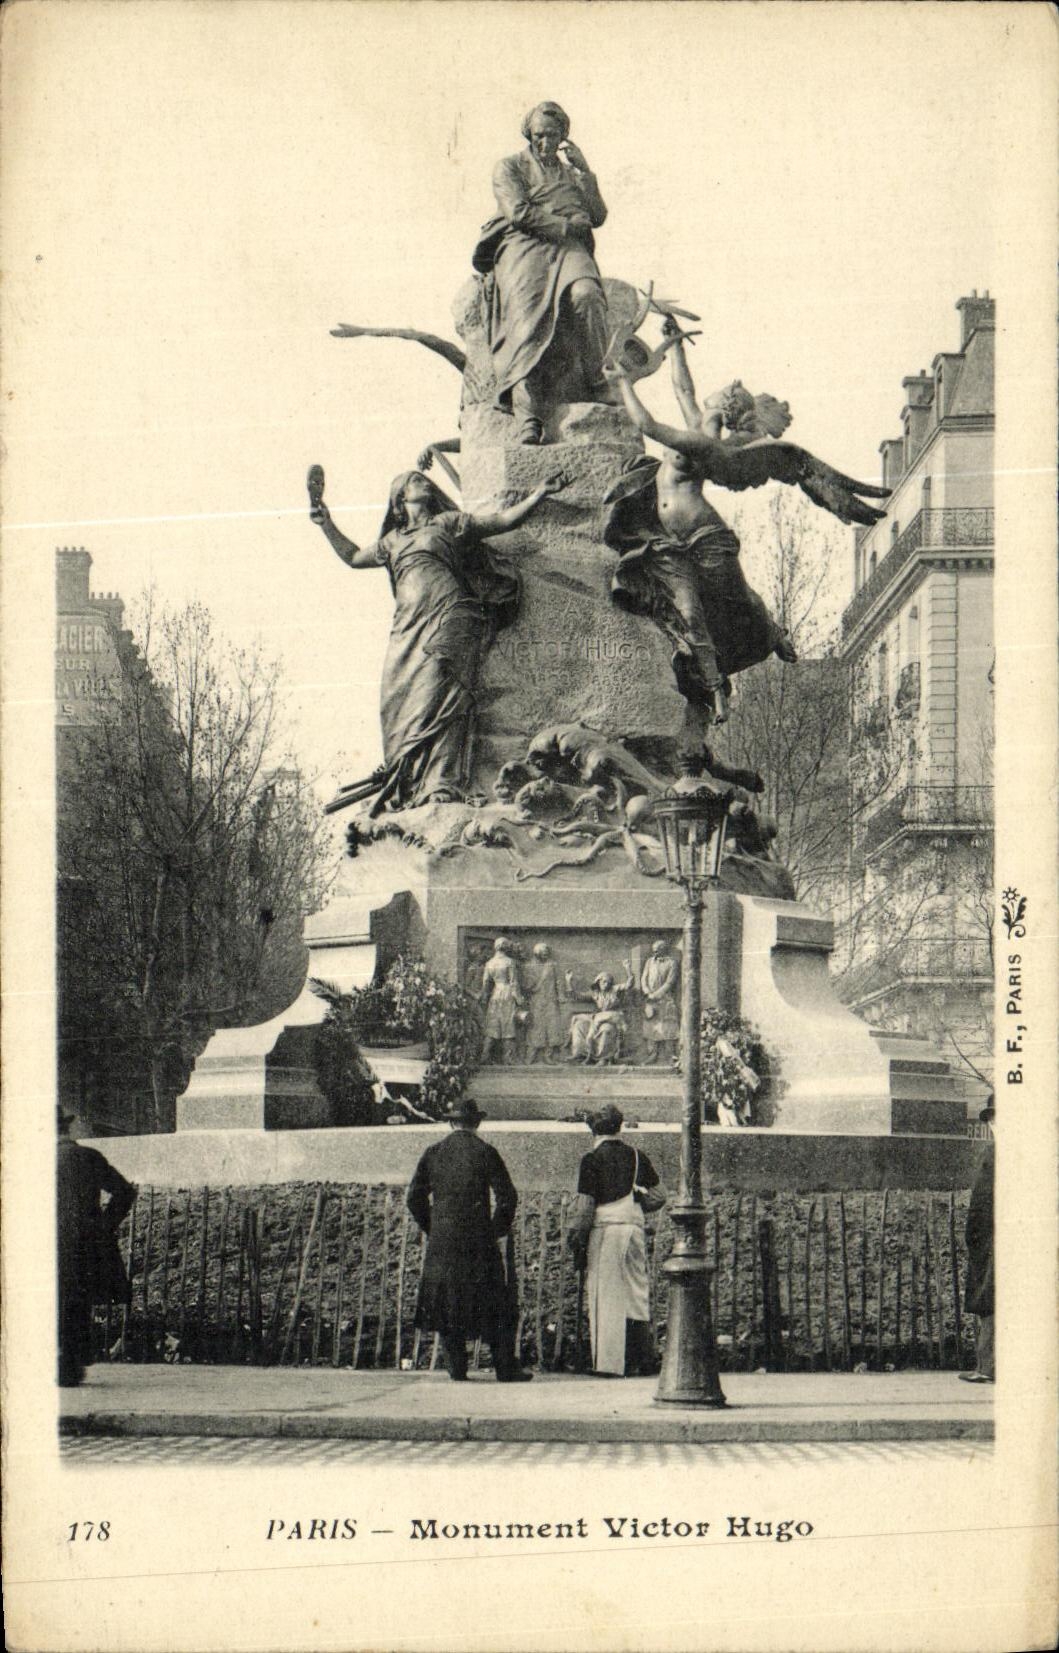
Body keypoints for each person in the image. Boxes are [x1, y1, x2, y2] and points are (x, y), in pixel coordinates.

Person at [310, 465, 566, 813]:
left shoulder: (447, 523)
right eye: (415, 481)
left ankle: (441, 783)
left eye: (425, 479)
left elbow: (502, 521)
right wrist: (326, 523)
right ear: (400, 499)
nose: (425, 483)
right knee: (397, 702)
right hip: (407, 628)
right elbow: (354, 557)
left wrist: (539, 493)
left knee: (442, 691)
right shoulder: (392, 541)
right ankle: (409, 784)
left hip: (450, 615)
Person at [472, 101, 611, 444]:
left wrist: (586, 172)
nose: (545, 143)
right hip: (524, 244)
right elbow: (518, 212)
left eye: (552, 135)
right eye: (538, 136)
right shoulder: (509, 167)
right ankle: (528, 417)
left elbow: (597, 216)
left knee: (587, 295)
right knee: (525, 321)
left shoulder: (572, 173)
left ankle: (598, 381)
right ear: (529, 135)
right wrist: (566, 224)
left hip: (569, 248)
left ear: (564, 136)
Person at [406, 1097, 531, 1382]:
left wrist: (434, 1228)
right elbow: (507, 1197)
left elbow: (414, 1198)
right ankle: (504, 1368)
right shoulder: (485, 1152)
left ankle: (457, 1367)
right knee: (492, 1300)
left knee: (448, 1301)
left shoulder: (434, 1152)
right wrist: (495, 1230)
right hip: (478, 1240)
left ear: (451, 1123)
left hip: (443, 1242)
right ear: (477, 1123)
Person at [567, 1106, 662, 1376]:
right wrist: (636, 1201)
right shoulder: (637, 1156)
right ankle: (641, 1359)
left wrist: (577, 1237)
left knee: (607, 1295)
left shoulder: (591, 1159)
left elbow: (586, 1207)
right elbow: (660, 1195)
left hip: (606, 1230)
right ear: (619, 1128)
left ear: (594, 1132)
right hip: (632, 1227)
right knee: (635, 1292)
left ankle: (609, 1364)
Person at [56, 1106, 136, 1387]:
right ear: (66, 1129)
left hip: (46, 1243)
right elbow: (125, 1191)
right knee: (76, 1302)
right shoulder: (89, 1157)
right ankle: (71, 1364)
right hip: (85, 1244)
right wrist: (103, 1225)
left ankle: (61, 1363)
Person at [960, 1097, 995, 1383]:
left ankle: (987, 1367)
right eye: (991, 1119)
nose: (994, 1124)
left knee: (991, 1300)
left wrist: (975, 1237)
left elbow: (982, 1203)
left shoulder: (995, 1153)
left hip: (996, 1241)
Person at [566, 964, 634, 1065]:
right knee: (579, 1025)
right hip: (598, 1017)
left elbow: (629, 985)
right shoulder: (595, 993)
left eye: (608, 982)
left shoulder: (615, 990)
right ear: (598, 982)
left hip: (612, 1019)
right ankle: (579, 1053)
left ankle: (603, 1058)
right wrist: (568, 981)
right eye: (604, 982)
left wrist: (628, 968)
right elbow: (577, 996)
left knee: (606, 1029)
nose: (606, 984)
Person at [481, 936, 524, 1065]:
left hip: (495, 994)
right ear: (506, 947)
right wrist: (519, 999)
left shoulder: (489, 963)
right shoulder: (509, 962)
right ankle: (508, 1058)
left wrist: (485, 998)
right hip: (507, 994)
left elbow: (485, 983)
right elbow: (513, 982)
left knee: (493, 1025)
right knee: (508, 1025)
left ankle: (485, 1055)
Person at [639, 940, 680, 1065]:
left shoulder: (671, 963)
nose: (655, 952)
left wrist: (656, 994)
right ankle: (652, 1054)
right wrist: (647, 992)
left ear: (664, 949)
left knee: (668, 1027)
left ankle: (670, 1055)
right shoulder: (649, 961)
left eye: (657, 949)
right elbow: (644, 978)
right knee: (651, 1027)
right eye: (654, 949)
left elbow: (670, 982)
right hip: (650, 1000)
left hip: (665, 1000)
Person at [526, 942, 565, 1063]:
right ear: (536, 953)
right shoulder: (529, 965)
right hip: (536, 1001)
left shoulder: (552, 965)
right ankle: (531, 1054)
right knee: (535, 1027)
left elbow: (559, 981)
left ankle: (548, 1055)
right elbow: (526, 984)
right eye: (543, 952)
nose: (545, 954)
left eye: (547, 952)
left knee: (551, 1028)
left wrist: (561, 995)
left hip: (551, 1000)